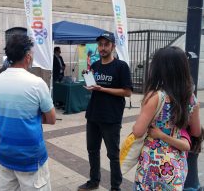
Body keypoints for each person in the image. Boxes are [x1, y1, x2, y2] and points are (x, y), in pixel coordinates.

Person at [0, 34, 56, 191]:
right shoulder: (36, 83)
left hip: (4, 153)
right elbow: (52, 118)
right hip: (31, 157)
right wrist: (30, 116)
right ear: (28, 56)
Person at [132, 46, 201, 190]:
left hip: (152, 164)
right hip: (176, 165)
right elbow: (195, 132)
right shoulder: (192, 98)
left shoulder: (155, 97)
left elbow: (138, 131)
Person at [78, 32, 132, 191]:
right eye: (100, 45)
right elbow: (95, 88)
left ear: (113, 46)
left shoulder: (121, 66)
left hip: (111, 117)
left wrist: (102, 88)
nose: (102, 48)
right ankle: (94, 181)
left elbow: (127, 92)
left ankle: (115, 187)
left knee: (113, 155)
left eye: (106, 44)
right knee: (92, 150)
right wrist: (91, 86)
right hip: (93, 115)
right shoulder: (95, 66)